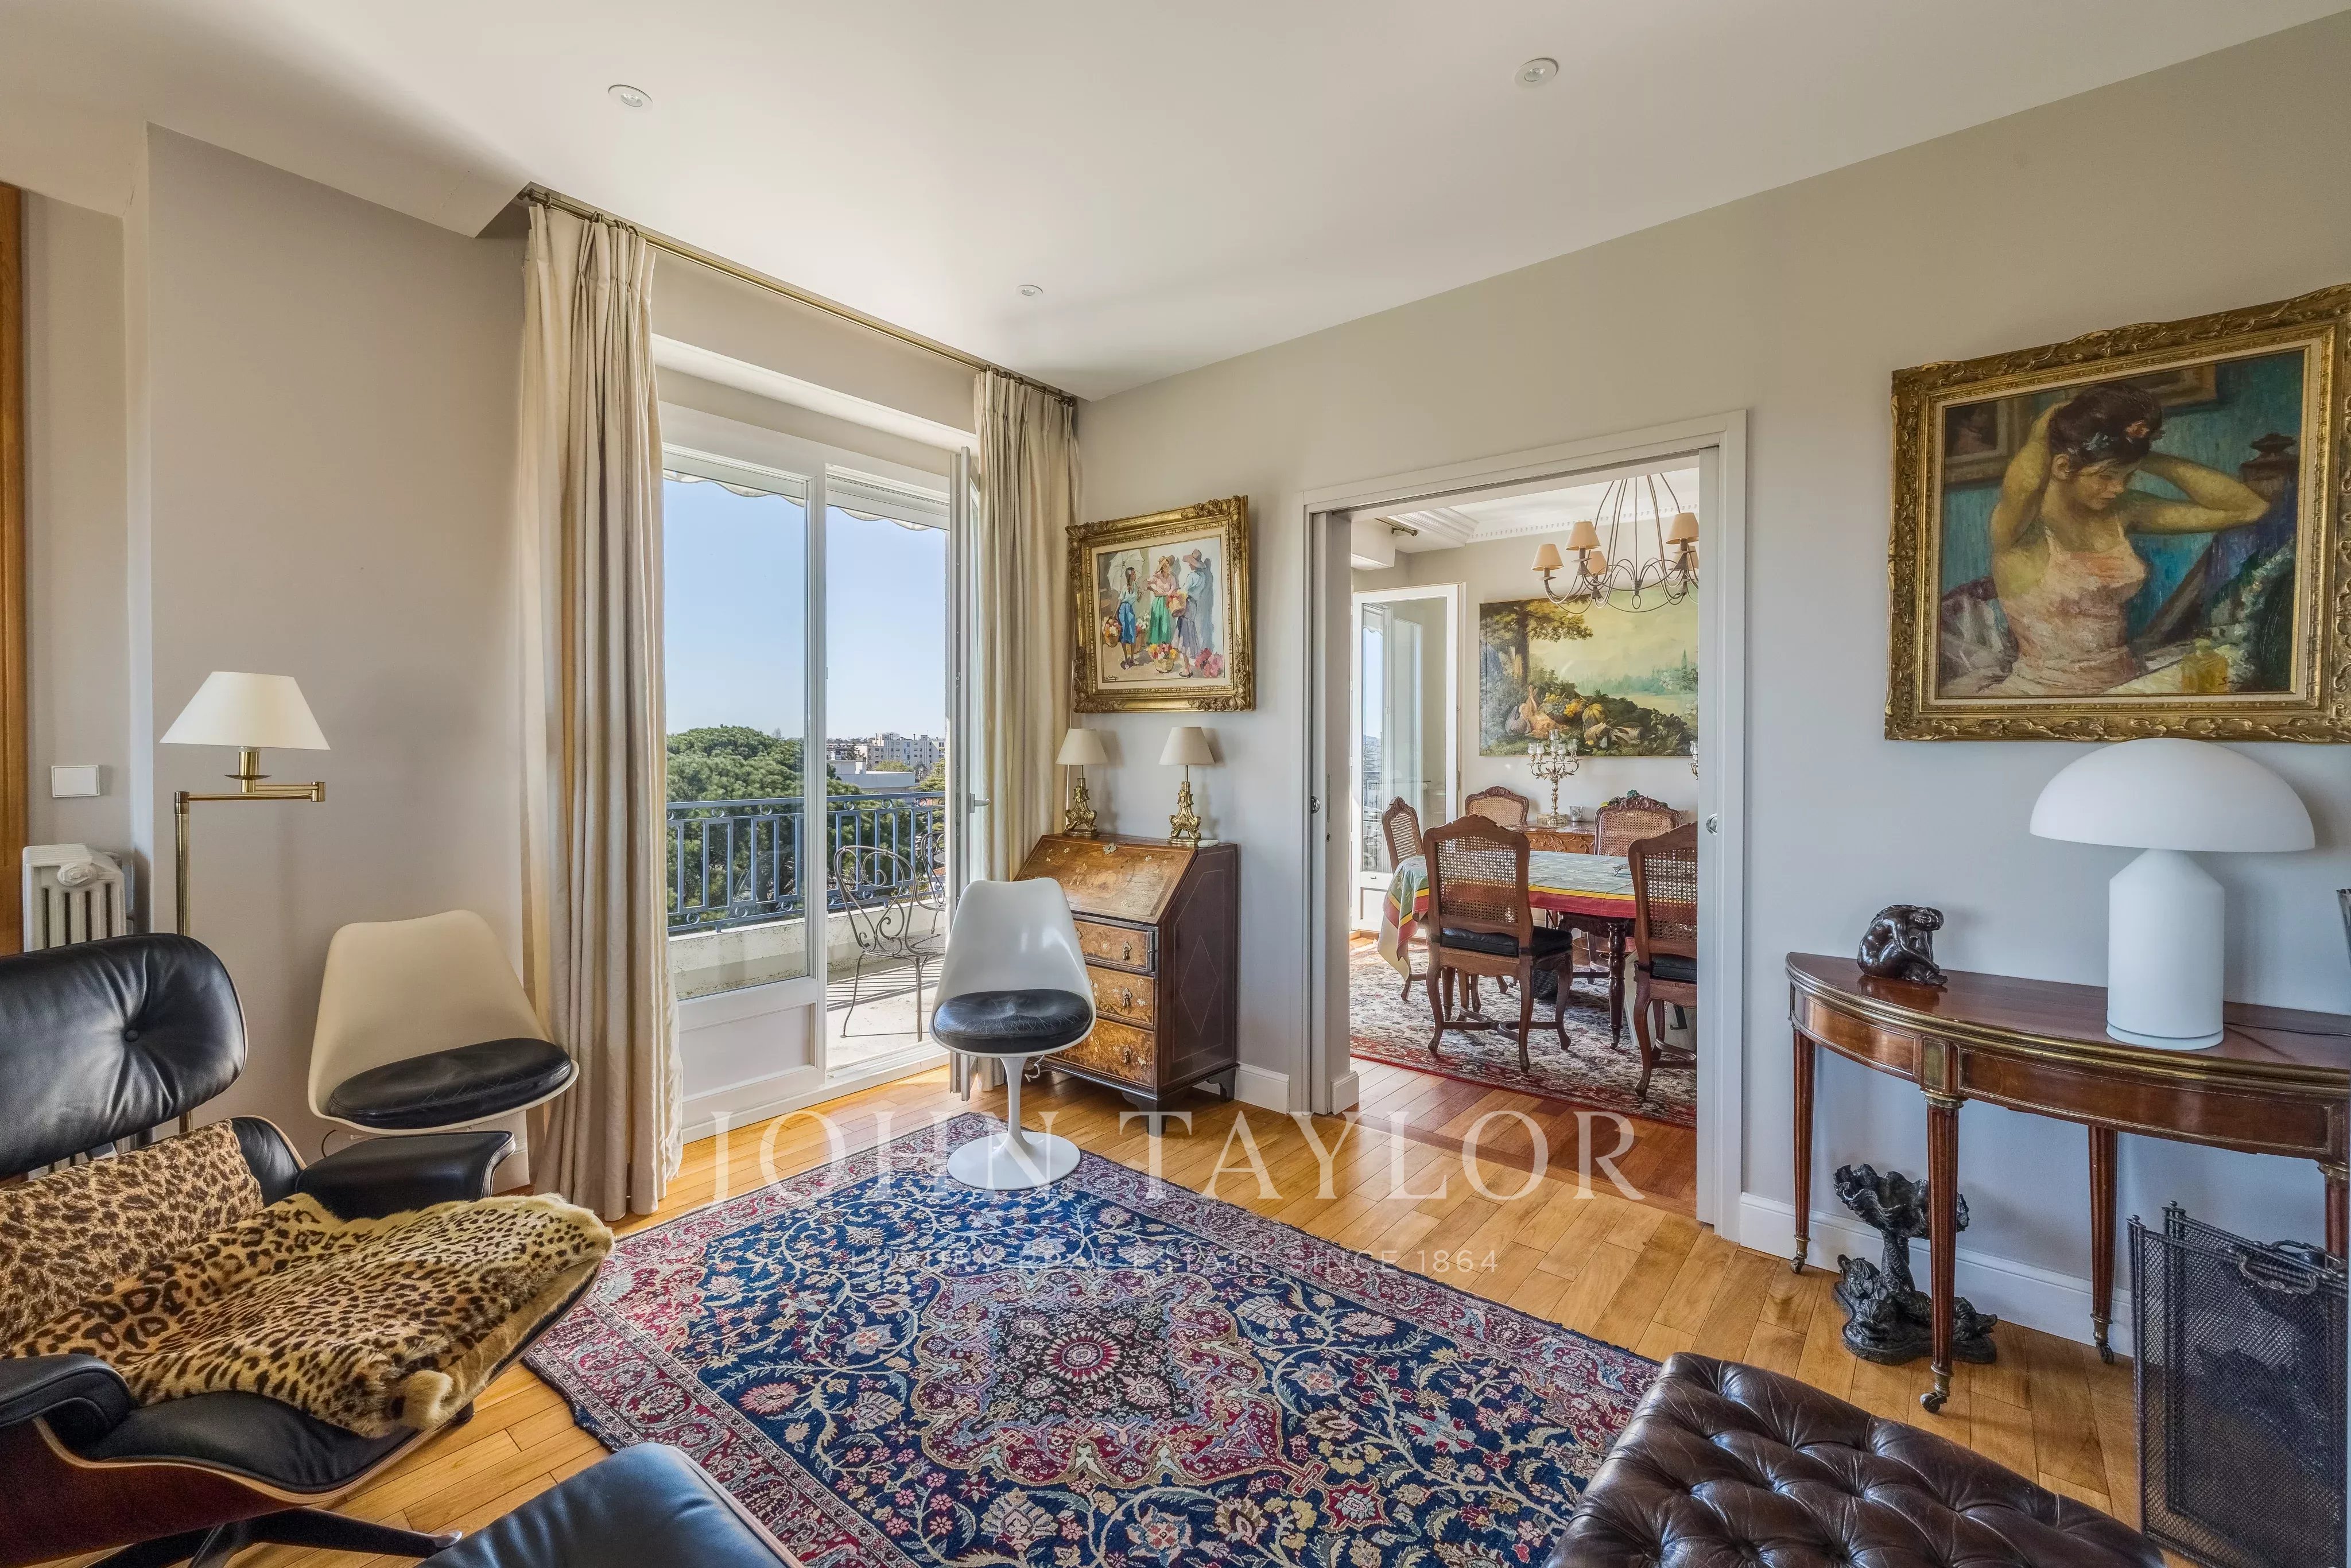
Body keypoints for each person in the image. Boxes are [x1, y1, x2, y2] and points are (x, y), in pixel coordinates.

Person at [1983, 383, 2268, 696]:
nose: (2119, 488)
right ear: (2063, 467)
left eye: (2128, 476)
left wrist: (2139, 454)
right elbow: (2026, 486)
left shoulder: (2122, 511)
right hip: (2046, 694)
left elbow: (2248, 508)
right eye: (2106, 476)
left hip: (2125, 683)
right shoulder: (2020, 529)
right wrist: (2040, 437)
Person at [1175, 548, 1216, 673]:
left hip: (1187, 605)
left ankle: (1187, 669)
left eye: (1190, 563)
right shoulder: (1203, 576)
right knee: (1189, 632)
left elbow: (1184, 592)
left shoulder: (1192, 576)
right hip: (1194, 606)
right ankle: (1188, 667)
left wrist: (1177, 592)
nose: (1189, 565)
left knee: (1184, 635)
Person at [1145, 555, 1178, 661]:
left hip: (1167, 603)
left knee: (1165, 625)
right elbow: (1146, 583)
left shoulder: (1172, 577)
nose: (1167, 566)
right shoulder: (1157, 577)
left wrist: (1162, 594)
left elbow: (1172, 590)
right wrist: (1152, 590)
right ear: (1161, 567)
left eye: (1167, 564)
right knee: (1157, 624)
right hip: (1157, 603)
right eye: (1164, 565)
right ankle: (1156, 649)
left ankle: (1165, 648)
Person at [1115, 564, 1141, 667]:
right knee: (1124, 635)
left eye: (1135, 574)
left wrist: (1140, 594)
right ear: (1130, 576)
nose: (1135, 575)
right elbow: (1120, 601)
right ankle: (1126, 659)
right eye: (1134, 574)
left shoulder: (1136, 586)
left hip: (1130, 611)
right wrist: (1115, 614)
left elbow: (1138, 600)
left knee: (1132, 634)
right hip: (1123, 611)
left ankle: (1132, 658)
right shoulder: (1125, 588)